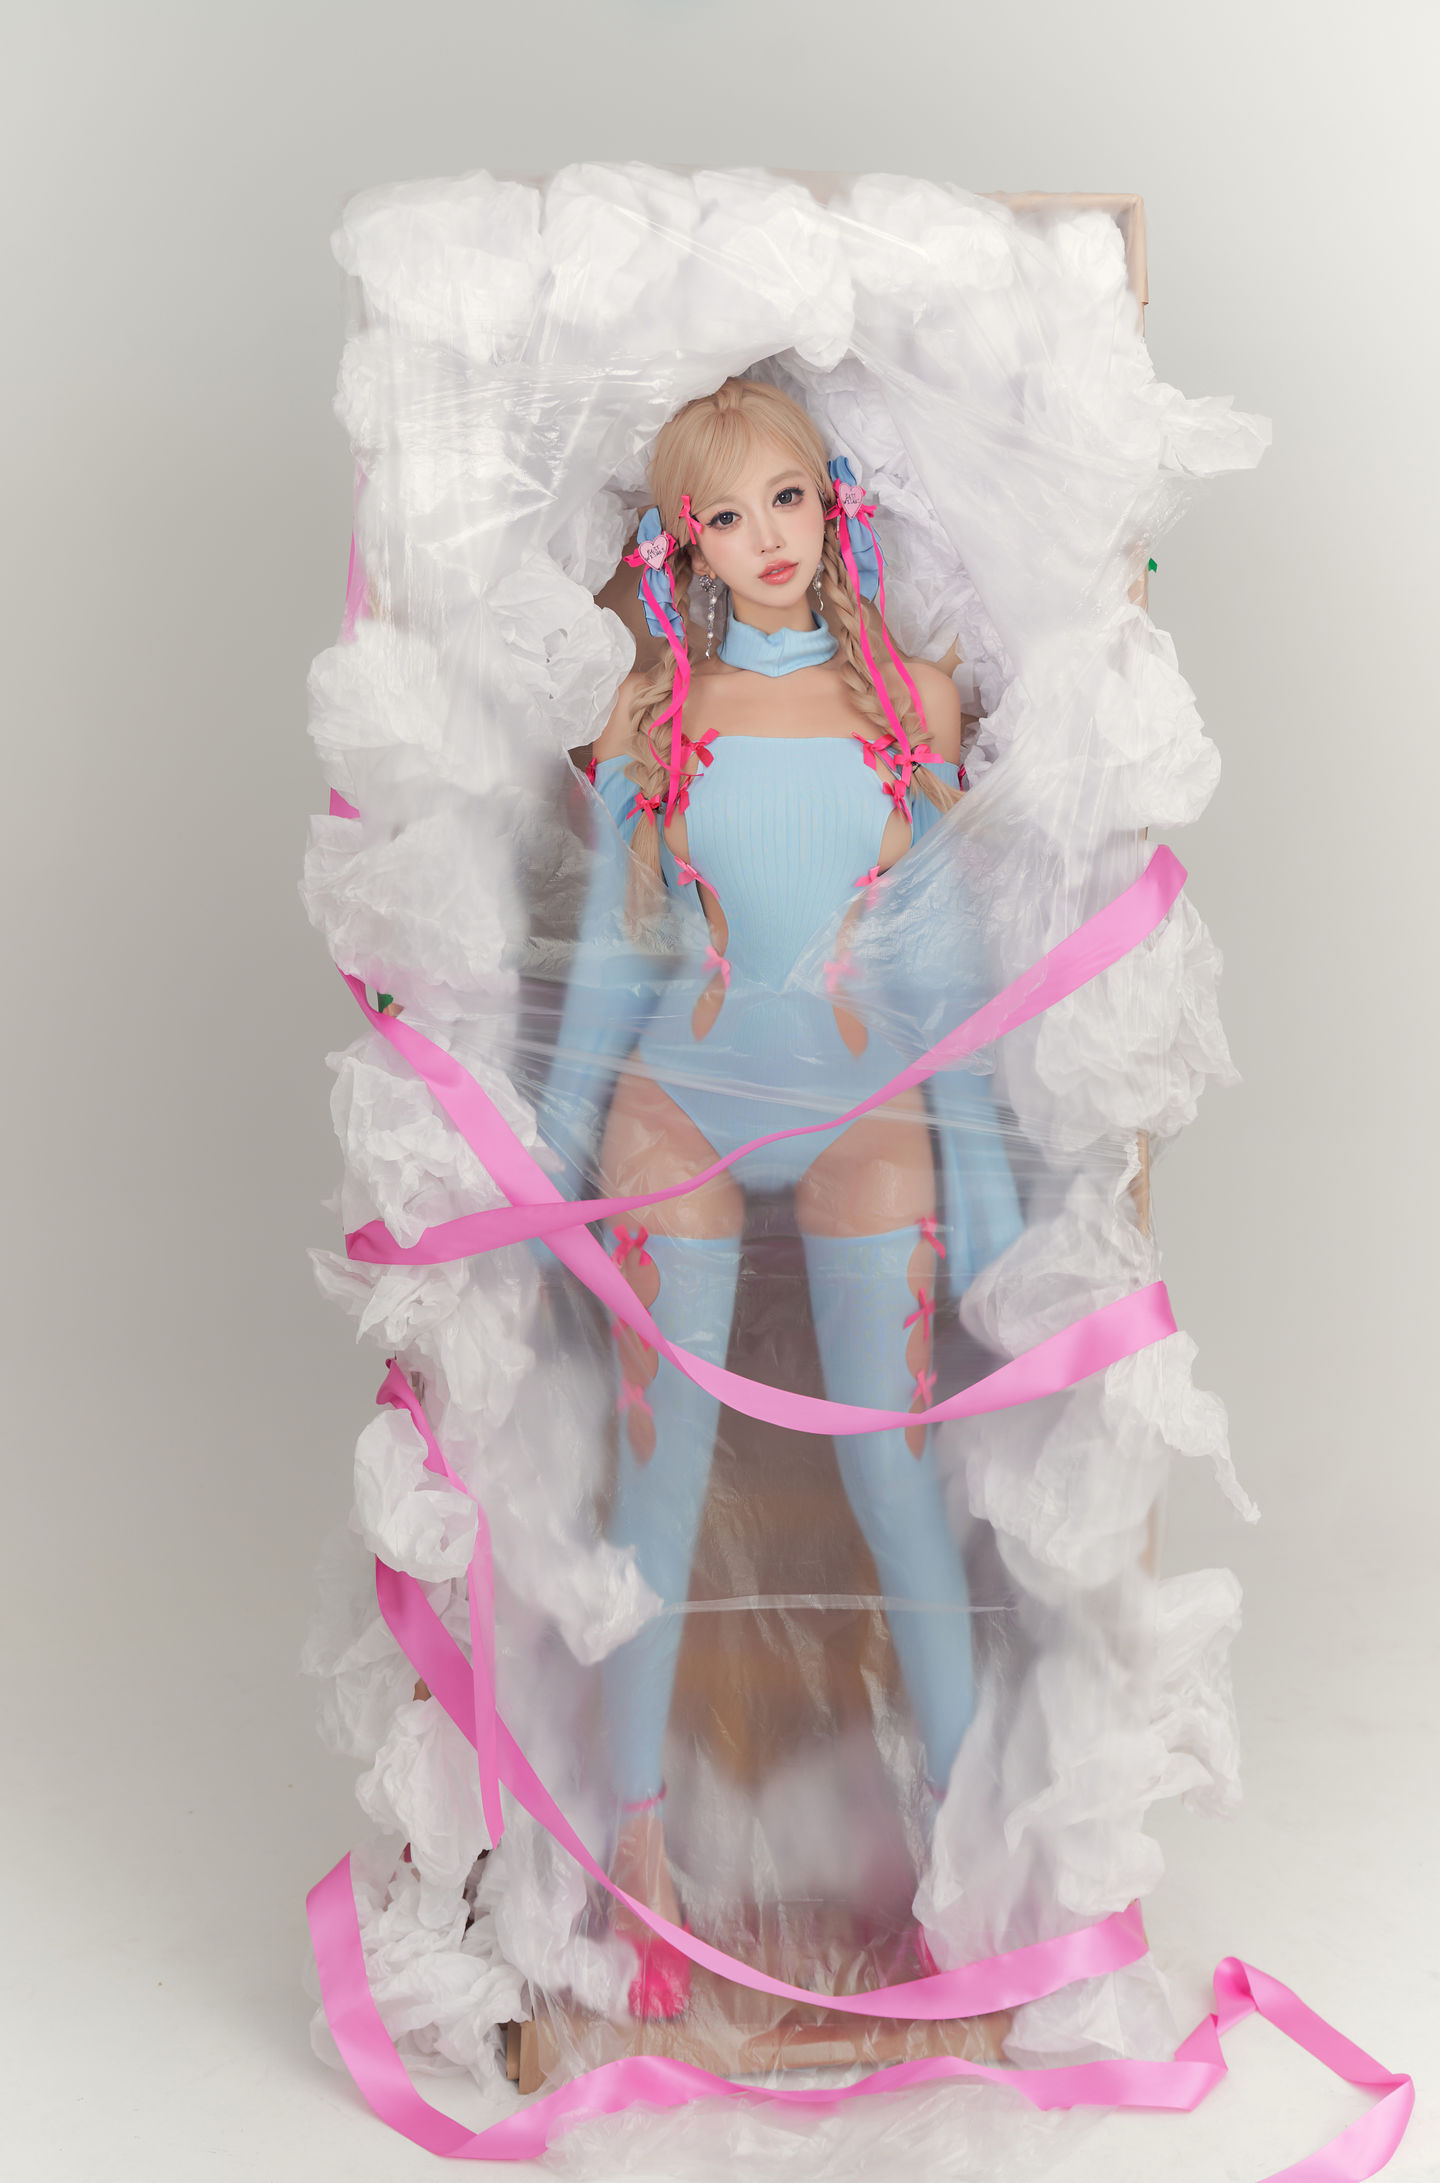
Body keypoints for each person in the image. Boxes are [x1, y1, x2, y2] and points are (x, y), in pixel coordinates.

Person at [537, 377, 1024, 2018]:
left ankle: (964, 1854)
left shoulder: (907, 703)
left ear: (834, 504)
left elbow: (944, 971)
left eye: (789, 499)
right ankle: (641, 1858)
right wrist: (544, 1159)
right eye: (726, 515)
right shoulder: (656, 713)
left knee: (900, 1487)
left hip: (865, 1110)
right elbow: (611, 961)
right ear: (682, 546)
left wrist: (984, 1179)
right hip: (677, 1109)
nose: (765, 538)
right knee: (656, 1493)